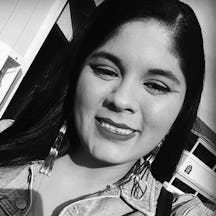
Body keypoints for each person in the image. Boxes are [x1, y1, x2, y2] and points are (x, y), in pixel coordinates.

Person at [0, 0, 213, 215]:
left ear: (182, 109)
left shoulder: (179, 211)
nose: (121, 100)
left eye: (156, 86)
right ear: (76, 73)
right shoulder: (5, 136)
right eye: (106, 71)